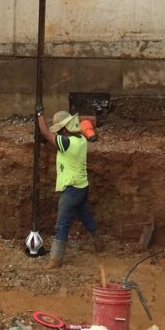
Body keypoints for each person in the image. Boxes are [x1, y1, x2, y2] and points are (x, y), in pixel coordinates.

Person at [37, 104, 103, 269]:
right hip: (82, 187)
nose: (58, 132)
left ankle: (55, 260)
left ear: (65, 129)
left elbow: (46, 133)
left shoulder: (67, 143)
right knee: (84, 214)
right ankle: (98, 241)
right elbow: (90, 121)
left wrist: (39, 115)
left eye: (60, 129)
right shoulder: (81, 139)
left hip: (71, 190)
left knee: (62, 223)